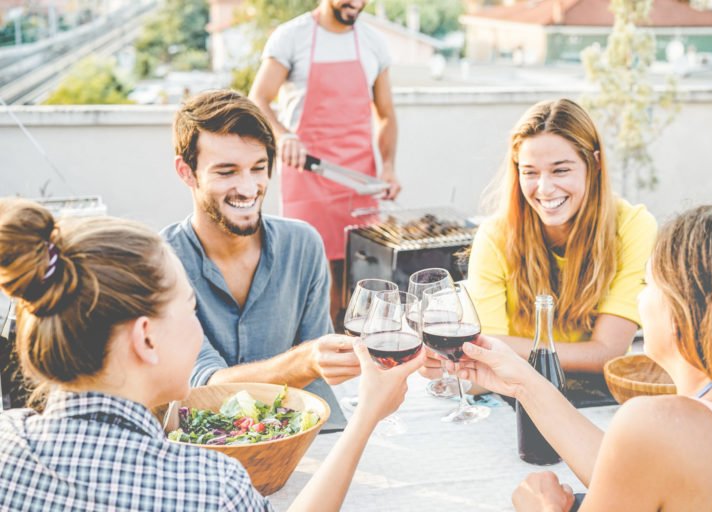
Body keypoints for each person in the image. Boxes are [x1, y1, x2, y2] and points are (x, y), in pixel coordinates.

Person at [0, 197, 425, 511]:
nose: (198, 325)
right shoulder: (207, 487)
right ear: (146, 339)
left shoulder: (7, 444)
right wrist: (367, 414)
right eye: (190, 308)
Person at [456, 204, 712, 511]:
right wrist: (523, 383)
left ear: (682, 312)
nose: (637, 297)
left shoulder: (661, 425)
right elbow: (631, 469)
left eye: (646, 284)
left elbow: (643, 453)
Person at [162, 90, 357, 422]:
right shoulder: (160, 264)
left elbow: (318, 384)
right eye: (227, 172)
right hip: (209, 447)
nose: (249, 188)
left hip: (309, 433)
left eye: (259, 168)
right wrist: (307, 359)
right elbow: (206, 389)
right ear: (187, 172)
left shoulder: (303, 245)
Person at [455, 98, 657, 374]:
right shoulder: (495, 236)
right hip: (515, 391)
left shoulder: (633, 226)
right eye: (530, 172)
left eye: (560, 170)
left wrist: (502, 348)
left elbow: (609, 353)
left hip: (597, 399)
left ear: (594, 163)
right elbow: (486, 353)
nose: (545, 188)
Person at [250, 0, 400, 325]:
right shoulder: (291, 37)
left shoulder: (373, 42)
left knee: (358, 283)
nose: (356, 4)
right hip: (307, 175)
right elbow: (259, 98)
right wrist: (283, 135)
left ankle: (355, 366)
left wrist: (387, 167)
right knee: (309, 276)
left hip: (357, 178)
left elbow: (386, 115)